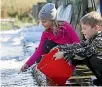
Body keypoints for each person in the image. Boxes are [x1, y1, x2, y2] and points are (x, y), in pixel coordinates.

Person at [20, 3, 80, 86]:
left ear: (52, 20)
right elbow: (39, 51)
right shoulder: (46, 33)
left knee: (49, 46)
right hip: (58, 57)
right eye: (41, 21)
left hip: (69, 53)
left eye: (44, 21)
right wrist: (27, 64)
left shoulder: (65, 27)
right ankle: (53, 71)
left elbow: (77, 43)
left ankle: (67, 68)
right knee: (44, 48)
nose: (42, 24)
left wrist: (64, 50)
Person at [53, 11, 102, 86]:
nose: (82, 31)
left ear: (96, 28)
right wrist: (61, 48)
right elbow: (79, 45)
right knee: (77, 57)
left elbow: (87, 51)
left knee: (92, 58)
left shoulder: (99, 39)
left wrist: (64, 54)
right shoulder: (92, 38)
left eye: (85, 28)